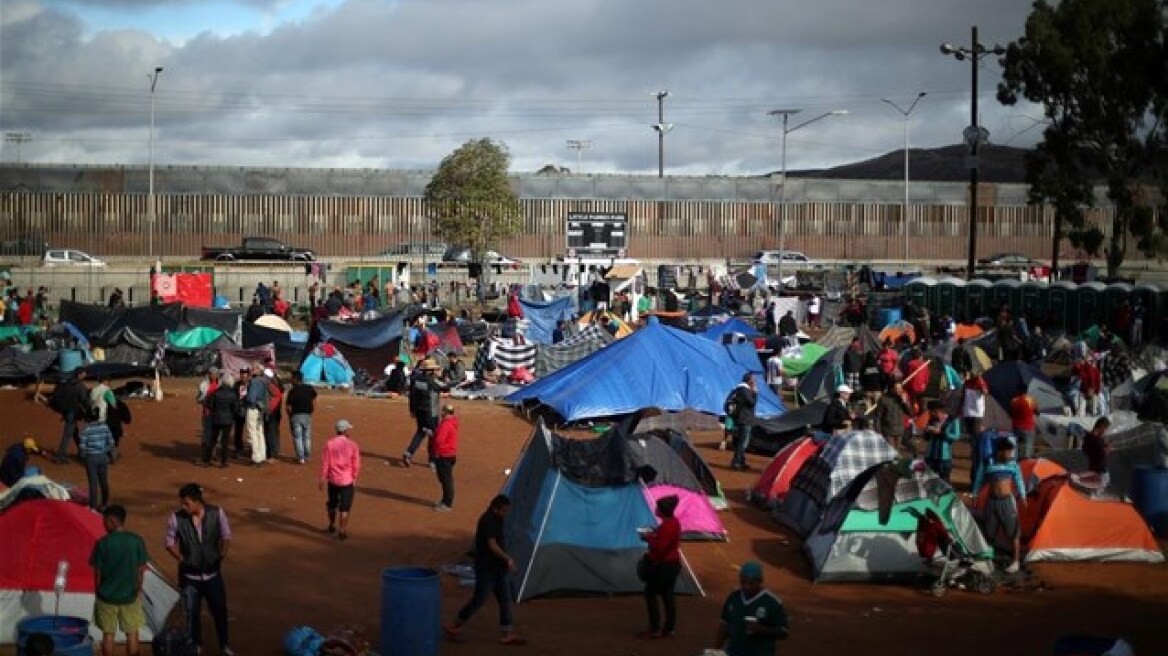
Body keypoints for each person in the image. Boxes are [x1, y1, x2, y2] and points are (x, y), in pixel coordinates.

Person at [444, 494, 524, 646]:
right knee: (479, 599)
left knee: (504, 600)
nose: (506, 514)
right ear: (496, 509)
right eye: (504, 511)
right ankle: (455, 624)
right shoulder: (488, 521)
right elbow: (492, 545)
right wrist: (507, 558)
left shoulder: (497, 519)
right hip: (487, 568)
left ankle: (507, 633)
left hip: (497, 568)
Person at [165, 483, 234, 656]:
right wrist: (181, 558)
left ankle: (224, 644)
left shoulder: (217, 513)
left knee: (219, 609)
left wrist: (221, 555)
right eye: (182, 503)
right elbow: (169, 542)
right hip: (189, 577)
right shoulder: (176, 518)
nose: (183, 507)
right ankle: (196, 645)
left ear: (197, 502)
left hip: (213, 575)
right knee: (192, 613)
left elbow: (226, 536)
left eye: (186, 503)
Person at [90, 505, 149, 656]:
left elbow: (98, 573)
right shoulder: (136, 541)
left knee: (108, 634)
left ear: (112, 521)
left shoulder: (103, 543)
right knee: (132, 632)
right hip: (130, 596)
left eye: (105, 521)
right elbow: (141, 570)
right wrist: (138, 589)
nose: (103, 524)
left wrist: (98, 592)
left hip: (106, 597)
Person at [972, 437, 1027, 574]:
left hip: (1007, 502)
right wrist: (974, 494)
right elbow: (979, 478)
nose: (1010, 455)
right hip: (991, 501)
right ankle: (987, 560)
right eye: (1008, 452)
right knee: (989, 532)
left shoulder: (1013, 464)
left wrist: (1023, 496)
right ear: (1000, 451)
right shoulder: (988, 462)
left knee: (1013, 532)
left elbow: (1019, 480)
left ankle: (1015, 562)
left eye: (1011, 452)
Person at [712, 561, 789, 656]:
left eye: (751, 583)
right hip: (733, 652)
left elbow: (784, 632)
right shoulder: (733, 597)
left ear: (760, 581)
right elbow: (724, 625)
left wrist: (761, 629)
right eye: (743, 582)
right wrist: (714, 650)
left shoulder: (771, 602)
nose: (746, 587)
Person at [638, 495, 681, 640]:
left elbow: (660, 547)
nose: (655, 509)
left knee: (650, 594)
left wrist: (647, 538)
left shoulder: (667, 526)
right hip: (673, 565)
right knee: (667, 595)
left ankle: (655, 628)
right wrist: (654, 535)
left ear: (662, 511)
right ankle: (669, 628)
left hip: (664, 566)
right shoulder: (674, 523)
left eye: (658, 508)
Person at [404, 358, 449, 468]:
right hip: (431, 412)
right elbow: (444, 387)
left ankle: (409, 453)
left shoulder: (415, 379)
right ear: (431, 370)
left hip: (419, 410)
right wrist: (444, 378)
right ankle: (432, 460)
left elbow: (412, 396)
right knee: (433, 435)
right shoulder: (431, 381)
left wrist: (412, 410)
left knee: (420, 432)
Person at [321, 419, 361, 540]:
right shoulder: (353, 445)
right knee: (345, 507)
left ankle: (332, 525)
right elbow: (356, 464)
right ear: (345, 430)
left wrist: (322, 478)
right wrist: (354, 477)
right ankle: (342, 530)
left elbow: (325, 463)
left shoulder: (329, 444)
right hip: (347, 480)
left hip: (333, 479)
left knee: (332, 503)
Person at [78, 408, 115, 510]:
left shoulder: (86, 430)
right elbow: (111, 442)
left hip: (91, 458)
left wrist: (84, 456)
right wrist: (104, 450)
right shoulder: (105, 427)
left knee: (93, 483)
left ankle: (93, 507)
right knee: (104, 482)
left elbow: (82, 447)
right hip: (103, 457)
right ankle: (104, 504)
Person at [50, 369, 89, 463]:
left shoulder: (68, 383)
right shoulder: (80, 386)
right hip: (73, 412)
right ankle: (60, 455)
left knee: (74, 432)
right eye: (84, 374)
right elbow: (84, 400)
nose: (85, 375)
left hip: (67, 411)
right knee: (67, 434)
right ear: (79, 375)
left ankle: (81, 451)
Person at [203, 374, 239, 468]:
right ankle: (224, 462)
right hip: (228, 420)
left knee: (213, 440)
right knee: (225, 441)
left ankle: (207, 459)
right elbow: (235, 408)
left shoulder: (215, 393)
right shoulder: (233, 394)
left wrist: (215, 411)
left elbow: (209, 405)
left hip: (216, 419)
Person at [724, 373, 758, 471]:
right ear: (749, 381)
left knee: (740, 441)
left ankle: (741, 461)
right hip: (744, 420)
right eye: (753, 380)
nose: (755, 382)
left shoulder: (737, 390)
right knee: (743, 443)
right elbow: (752, 403)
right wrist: (755, 393)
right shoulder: (745, 391)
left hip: (738, 419)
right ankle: (736, 462)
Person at [922, 400, 960, 483]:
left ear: (939, 411)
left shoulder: (952, 420)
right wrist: (927, 431)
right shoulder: (932, 420)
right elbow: (926, 438)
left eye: (934, 412)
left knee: (944, 480)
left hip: (944, 456)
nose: (932, 415)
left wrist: (942, 433)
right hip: (930, 455)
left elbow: (956, 436)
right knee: (928, 480)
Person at [286, 370, 318, 465]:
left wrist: (290, 416)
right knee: (307, 437)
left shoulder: (292, 391)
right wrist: (312, 409)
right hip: (307, 415)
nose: (290, 380)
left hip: (296, 416)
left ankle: (301, 458)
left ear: (295, 379)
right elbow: (314, 398)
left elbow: (288, 406)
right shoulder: (309, 388)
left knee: (298, 437)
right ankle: (307, 456)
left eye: (292, 378)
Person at [962, 373, 989, 483]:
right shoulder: (979, 381)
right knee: (978, 444)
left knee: (974, 442)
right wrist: (981, 382)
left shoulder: (966, 383)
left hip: (967, 414)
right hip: (976, 415)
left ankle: (974, 453)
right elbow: (985, 392)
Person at [874, 382, 913, 455]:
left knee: (897, 453)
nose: (899, 390)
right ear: (891, 389)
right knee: (890, 452)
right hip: (887, 430)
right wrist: (878, 430)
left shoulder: (903, 398)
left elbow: (910, 413)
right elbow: (877, 416)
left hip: (899, 430)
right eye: (896, 388)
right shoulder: (883, 399)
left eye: (900, 388)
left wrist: (905, 402)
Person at [432, 405, 458, 511]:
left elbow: (439, 440)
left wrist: (433, 437)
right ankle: (445, 500)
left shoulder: (445, 425)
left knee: (445, 480)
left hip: (444, 455)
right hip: (449, 455)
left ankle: (447, 503)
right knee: (445, 479)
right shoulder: (451, 423)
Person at [244, 365, 269, 466]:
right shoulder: (265, 381)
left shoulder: (254, 382)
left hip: (253, 408)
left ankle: (256, 457)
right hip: (261, 409)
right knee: (260, 432)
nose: (251, 370)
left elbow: (251, 398)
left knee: (252, 432)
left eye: (254, 368)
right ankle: (262, 455)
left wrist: (247, 401)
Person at [1082, 416, 1113, 493]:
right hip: (1101, 472)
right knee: (1097, 494)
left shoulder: (1088, 437)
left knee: (1091, 493)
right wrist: (1109, 448)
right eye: (1105, 428)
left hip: (1092, 469)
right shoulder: (1097, 440)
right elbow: (1103, 455)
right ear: (1101, 426)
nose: (1105, 431)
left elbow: (1084, 450)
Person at [1009, 387, 1039, 459]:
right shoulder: (1031, 400)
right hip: (1028, 427)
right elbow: (1037, 412)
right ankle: (1026, 460)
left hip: (1016, 426)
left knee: (1015, 445)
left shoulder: (1014, 401)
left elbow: (1011, 414)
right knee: (1028, 445)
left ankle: (1015, 460)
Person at [231, 368, 251, 458]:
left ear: (248, 375)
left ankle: (252, 450)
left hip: (249, 411)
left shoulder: (252, 384)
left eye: (245, 374)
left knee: (250, 431)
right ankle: (238, 450)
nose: (243, 376)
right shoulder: (236, 385)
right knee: (238, 431)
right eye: (242, 374)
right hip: (238, 411)